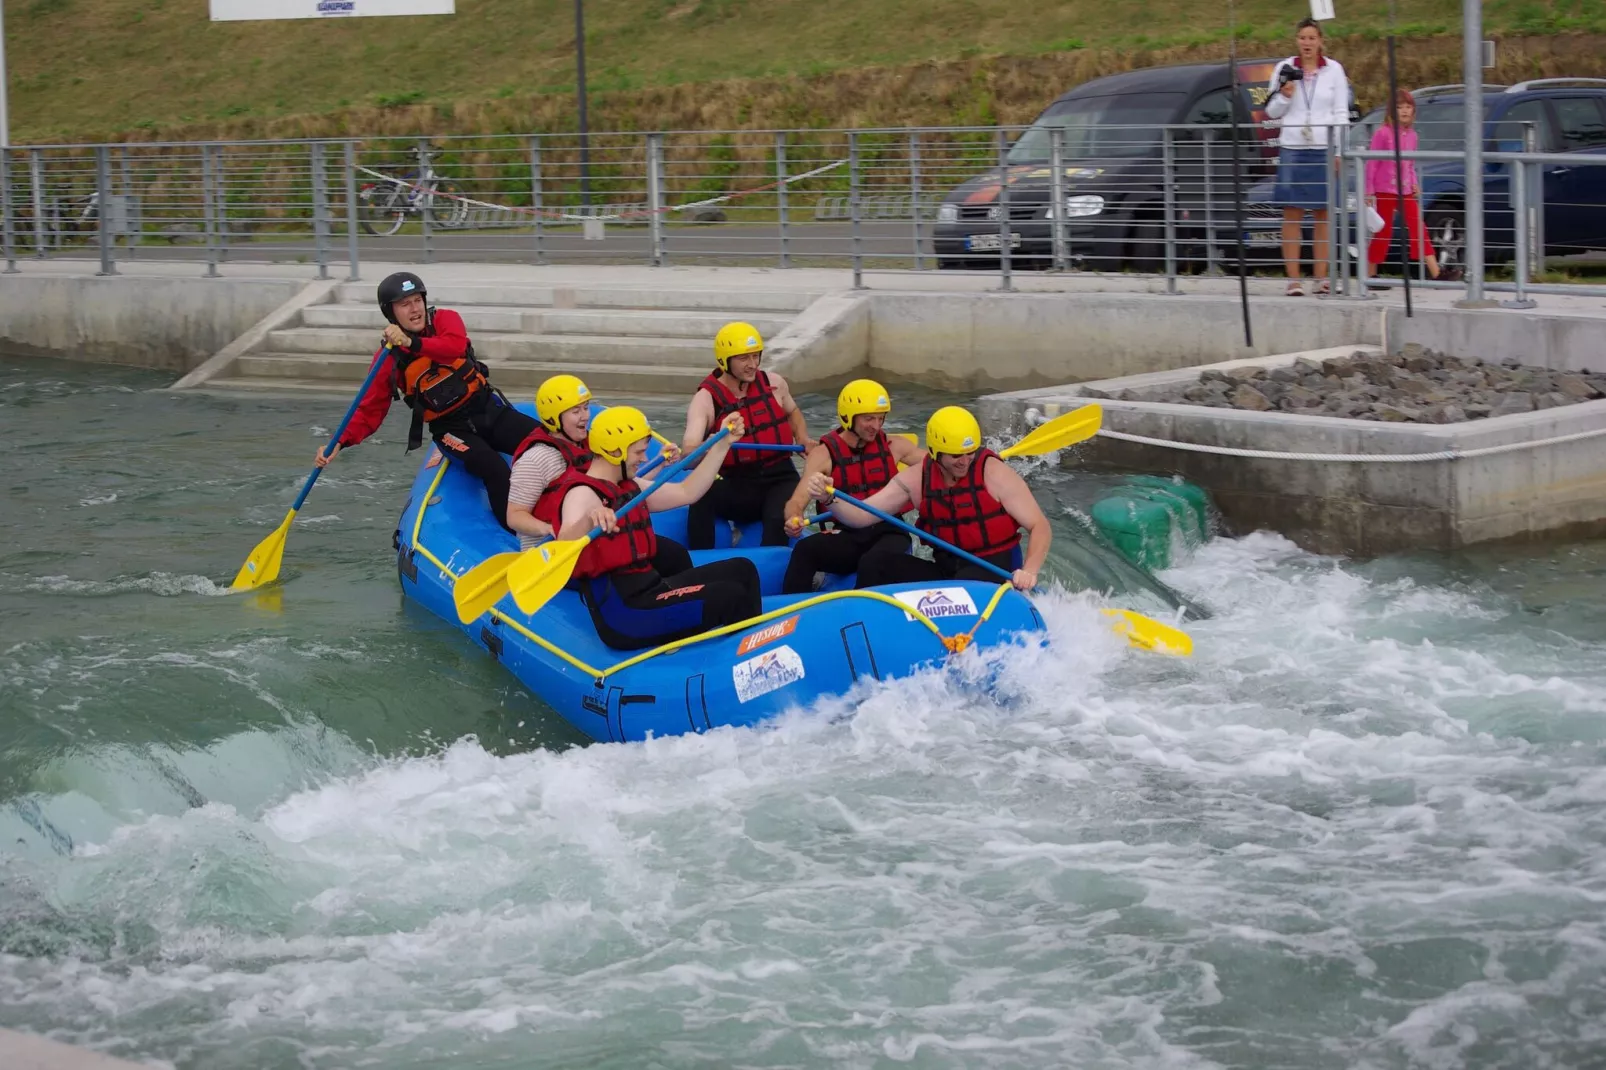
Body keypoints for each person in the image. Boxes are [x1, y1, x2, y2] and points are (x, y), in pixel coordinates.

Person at [315, 271, 539, 530]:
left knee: (544, 443)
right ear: (391, 313)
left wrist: (412, 342)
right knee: (496, 470)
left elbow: (453, 348)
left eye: (417, 301)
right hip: (451, 431)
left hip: (487, 410)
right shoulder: (388, 359)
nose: (414, 309)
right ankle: (517, 535)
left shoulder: (446, 320)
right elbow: (369, 410)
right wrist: (339, 442)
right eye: (404, 304)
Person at [555, 406, 763, 651]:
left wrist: (722, 444)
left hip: (653, 589)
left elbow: (688, 492)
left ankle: (751, 648)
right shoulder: (581, 494)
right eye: (639, 452)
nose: (644, 459)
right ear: (614, 451)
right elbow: (562, 546)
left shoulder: (627, 486)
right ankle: (746, 662)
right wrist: (589, 521)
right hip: (626, 615)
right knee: (729, 596)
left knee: (742, 570)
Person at [805, 406, 1050, 592]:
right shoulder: (916, 480)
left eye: (969, 453)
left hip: (994, 571)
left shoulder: (994, 473)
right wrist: (829, 499)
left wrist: (1029, 571)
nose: (965, 461)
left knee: (961, 584)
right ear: (935, 452)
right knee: (874, 563)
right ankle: (866, 625)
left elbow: (1040, 526)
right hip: (947, 571)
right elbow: (861, 516)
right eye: (956, 456)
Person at [779, 379, 924, 594]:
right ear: (848, 417)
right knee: (804, 550)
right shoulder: (824, 454)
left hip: (890, 530)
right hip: (848, 533)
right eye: (868, 419)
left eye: (880, 418)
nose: (876, 426)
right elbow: (796, 501)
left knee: (872, 562)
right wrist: (793, 519)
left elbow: (939, 464)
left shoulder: (895, 446)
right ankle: (792, 613)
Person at [680, 321, 812, 550]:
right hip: (738, 482)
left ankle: (771, 570)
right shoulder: (705, 399)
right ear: (724, 361)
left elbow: (792, 411)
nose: (752, 365)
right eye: (744, 359)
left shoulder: (774, 384)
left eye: (756, 357)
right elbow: (688, 457)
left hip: (780, 477)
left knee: (775, 519)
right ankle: (697, 562)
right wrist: (718, 442)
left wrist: (802, 437)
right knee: (701, 496)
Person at [1264, 18, 1351, 297]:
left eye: (1312, 38)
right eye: (1302, 38)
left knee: (1323, 214)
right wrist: (1285, 95)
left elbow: (1341, 112)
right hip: (1293, 147)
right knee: (1292, 213)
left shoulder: (1334, 70)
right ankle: (1293, 279)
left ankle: (1321, 277)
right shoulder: (1284, 68)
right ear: (1296, 40)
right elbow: (1271, 111)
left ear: (1320, 40)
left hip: (1322, 146)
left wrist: (1339, 150)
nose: (1307, 43)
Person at [1366, 88, 1459, 285]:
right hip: (1384, 189)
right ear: (1392, 111)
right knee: (1383, 231)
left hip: (1405, 190)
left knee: (1419, 227)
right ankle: (1371, 273)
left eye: (1408, 107)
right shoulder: (1383, 133)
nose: (1405, 111)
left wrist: (1414, 182)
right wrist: (1369, 190)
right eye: (1400, 107)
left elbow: (1410, 164)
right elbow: (1371, 163)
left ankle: (1436, 272)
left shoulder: (1413, 136)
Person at [506, 374, 595, 551]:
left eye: (586, 408)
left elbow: (623, 483)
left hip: (590, 540)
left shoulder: (591, 444)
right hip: (551, 552)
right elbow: (515, 516)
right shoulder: (536, 459)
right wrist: (548, 529)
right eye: (576, 411)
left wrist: (661, 463)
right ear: (554, 419)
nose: (585, 416)